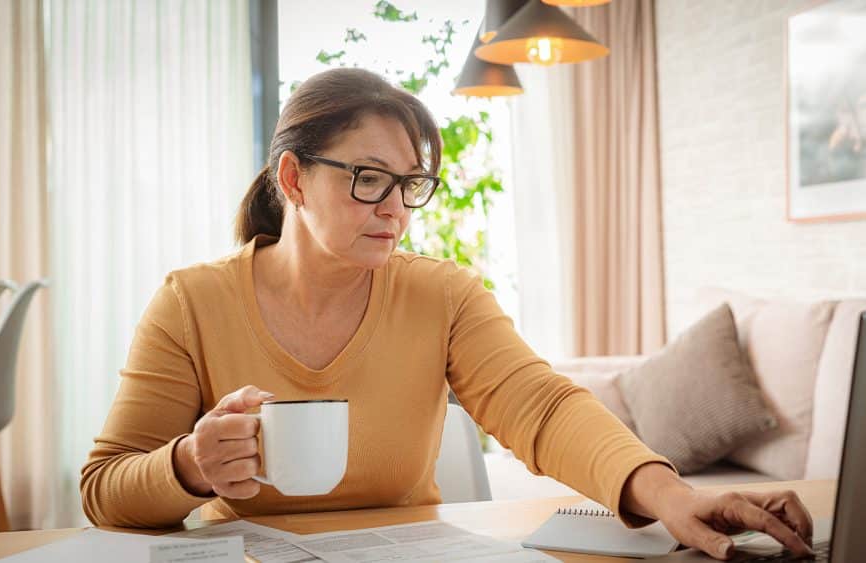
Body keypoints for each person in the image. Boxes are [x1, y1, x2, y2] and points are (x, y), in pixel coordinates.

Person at [81, 68, 813, 561]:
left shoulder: (443, 295)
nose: (396, 209)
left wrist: (676, 496)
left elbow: (545, 409)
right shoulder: (192, 300)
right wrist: (188, 464)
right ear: (293, 178)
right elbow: (104, 486)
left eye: (410, 183)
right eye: (369, 180)